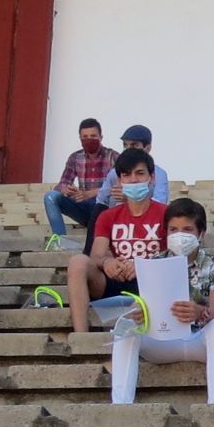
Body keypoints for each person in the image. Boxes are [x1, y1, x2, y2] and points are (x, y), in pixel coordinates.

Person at [112, 197, 214, 407]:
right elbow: (140, 303)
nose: (180, 236)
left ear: (201, 233)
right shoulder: (154, 262)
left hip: (199, 339)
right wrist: (138, 313)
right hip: (162, 340)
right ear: (166, 233)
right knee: (126, 326)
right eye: (173, 229)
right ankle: (121, 405)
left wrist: (199, 312)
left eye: (187, 229)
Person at [67, 147, 168, 333]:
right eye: (127, 175)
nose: (134, 179)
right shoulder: (107, 216)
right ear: (120, 180)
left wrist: (143, 265)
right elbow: (96, 255)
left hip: (152, 282)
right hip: (115, 279)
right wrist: (107, 262)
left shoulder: (166, 214)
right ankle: (80, 338)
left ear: (151, 177)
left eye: (140, 173)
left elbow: (177, 258)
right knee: (77, 262)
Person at [43, 118, 114, 249]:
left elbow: (118, 187)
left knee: (104, 201)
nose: (89, 139)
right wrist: (67, 190)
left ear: (101, 137)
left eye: (93, 136)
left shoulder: (113, 157)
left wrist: (91, 193)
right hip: (82, 205)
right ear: (80, 139)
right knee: (50, 196)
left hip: (104, 207)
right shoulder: (75, 157)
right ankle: (59, 240)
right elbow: (62, 183)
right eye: (85, 137)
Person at [118, 124, 172, 205]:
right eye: (125, 145)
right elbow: (102, 200)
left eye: (134, 145)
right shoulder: (114, 172)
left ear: (148, 148)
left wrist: (130, 199)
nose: (128, 149)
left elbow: (160, 201)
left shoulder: (159, 174)